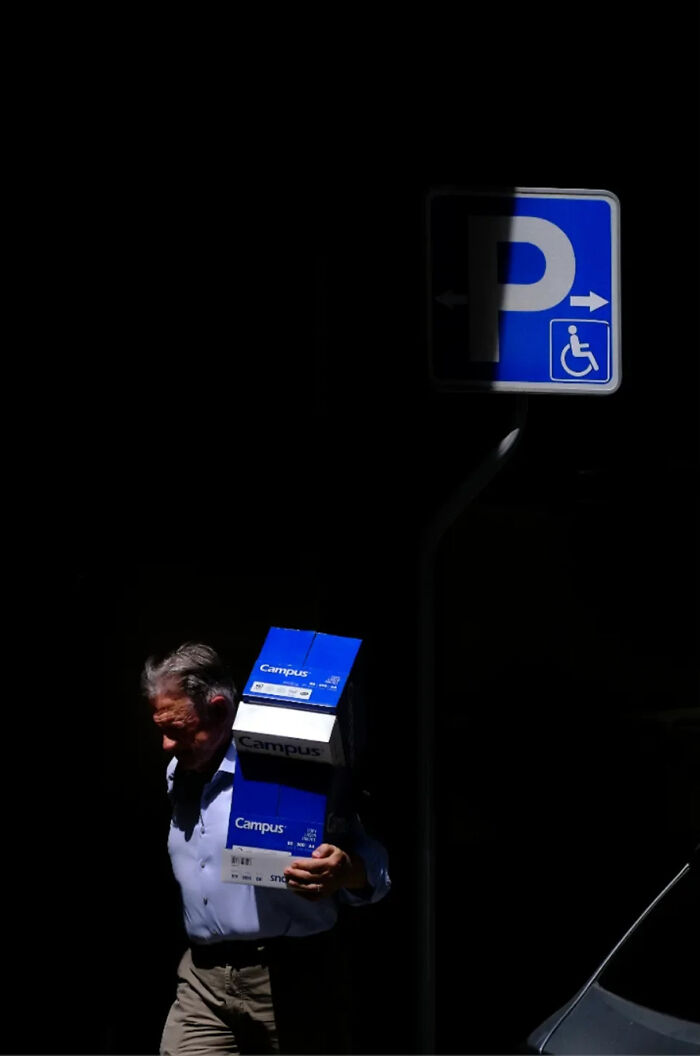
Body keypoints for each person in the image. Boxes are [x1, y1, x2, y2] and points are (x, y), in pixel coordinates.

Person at [142, 640, 391, 1055]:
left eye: (176, 730)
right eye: (161, 730)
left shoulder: (289, 767)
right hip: (202, 980)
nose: (166, 746)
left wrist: (345, 869)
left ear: (220, 710)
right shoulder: (179, 773)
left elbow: (378, 869)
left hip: (290, 979)